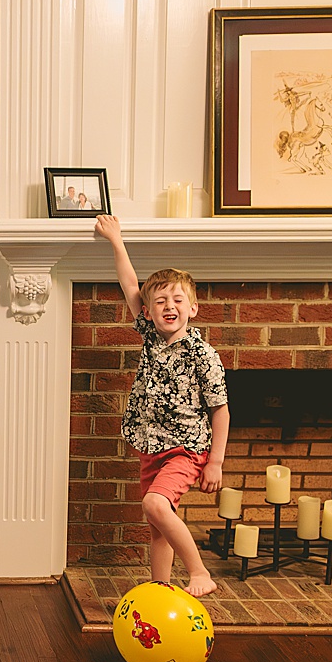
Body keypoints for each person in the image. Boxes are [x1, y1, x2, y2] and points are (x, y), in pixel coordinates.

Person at [94, 215, 229, 597]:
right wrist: (116, 241)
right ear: (149, 311)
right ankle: (160, 590)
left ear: (193, 308)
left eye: (177, 300)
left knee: (155, 504)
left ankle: (200, 572)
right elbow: (130, 284)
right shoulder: (152, 337)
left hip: (186, 449)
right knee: (158, 525)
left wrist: (215, 461)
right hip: (151, 447)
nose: (169, 306)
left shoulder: (203, 355)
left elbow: (220, 409)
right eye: (160, 301)